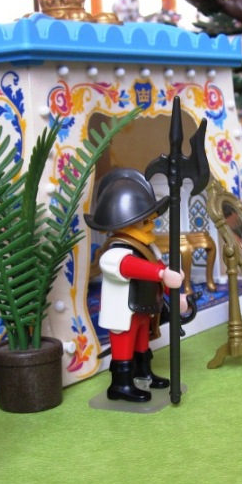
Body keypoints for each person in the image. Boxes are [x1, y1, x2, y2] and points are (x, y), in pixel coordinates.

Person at [85, 169, 188, 403]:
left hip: (143, 308)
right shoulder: (115, 251)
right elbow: (128, 266)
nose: (151, 223)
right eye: (145, 219)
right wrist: (161, 273)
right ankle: (120, 385)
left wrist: (175, 292)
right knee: (124, 347)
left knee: (142, 342)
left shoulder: (147, 247)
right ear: (127, 220)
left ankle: (144, 373)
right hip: (123, 313)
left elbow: (159, 269)